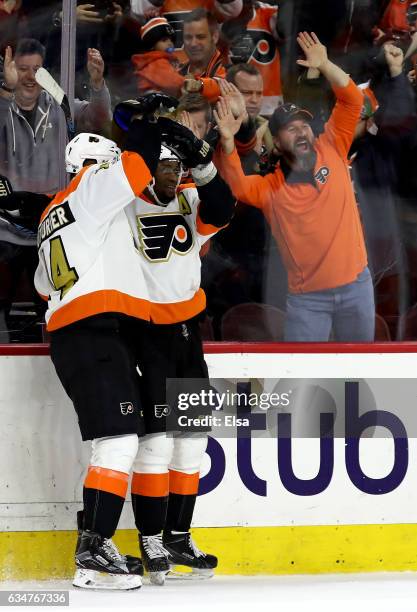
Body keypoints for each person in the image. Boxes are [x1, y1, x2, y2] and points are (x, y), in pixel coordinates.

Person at [34, 121, 162, 590]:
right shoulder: (91, 186)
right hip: (95, 331)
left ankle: (92, 547)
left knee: (109, 441)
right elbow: (136, 168)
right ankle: (94, 553)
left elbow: (43, 286)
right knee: (120, 441)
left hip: (73, 335)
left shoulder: (54, 210)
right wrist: (149, 127)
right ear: (96, 165)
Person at [114, 101, 236, 584]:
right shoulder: (123, 205)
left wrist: (203, 164)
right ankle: (149, 537)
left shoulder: (189, 199)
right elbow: (129, 149)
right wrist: (152, 128)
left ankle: (179, 536)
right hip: (145, 334)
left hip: (189, 334)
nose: (173, 173)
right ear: (148, 165)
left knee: (192, 442)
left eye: (178, 165)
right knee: (157, 443)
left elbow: (225, 208)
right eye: (166, 164)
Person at [215, 31, 375, 342]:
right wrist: (227, 141)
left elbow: (354, 99)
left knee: (358, 378)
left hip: (357, 287)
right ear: (275, 143)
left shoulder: (333, 145)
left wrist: (326, 64)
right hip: (308, 301)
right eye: (290, 130)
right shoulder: (270, 187)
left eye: (304, 125)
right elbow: (236, 186)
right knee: (304, 384)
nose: (301, 132)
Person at [0, 38, 112, 194]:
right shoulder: (4, 104)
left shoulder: (60, 103)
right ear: (10, 70)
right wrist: (7, 90)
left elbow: (99, 120)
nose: (31, 76)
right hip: (11, 206)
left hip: (56, 203)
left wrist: (97, 82)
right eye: (23, 69)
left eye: (37, 69)